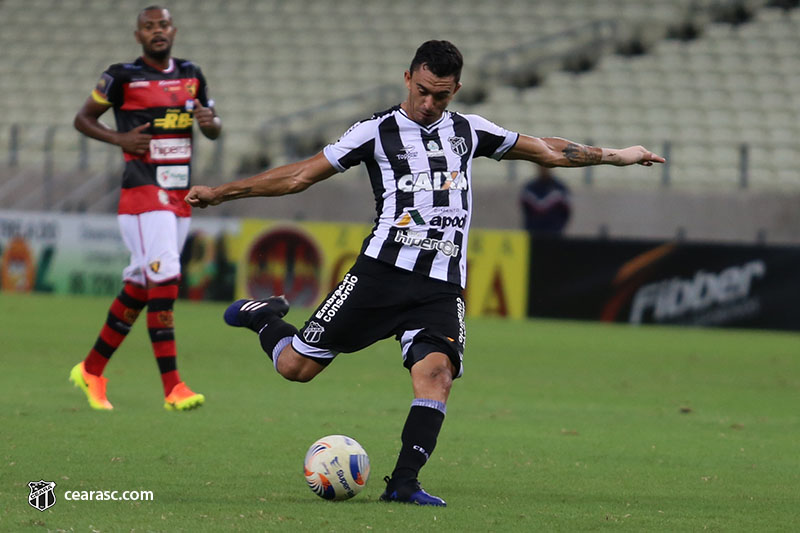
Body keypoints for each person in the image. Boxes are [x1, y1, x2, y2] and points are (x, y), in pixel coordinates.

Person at [185, 40, 664, 505]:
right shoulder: (374, 131)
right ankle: (264, 316)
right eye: (424, 90)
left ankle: (403, 483)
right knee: (297, 368)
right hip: (380, 275)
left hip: (440, 283)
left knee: (437, 375)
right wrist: (223, 193)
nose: (430, 102)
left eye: (442, 94)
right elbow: (298, 176)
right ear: (408, 77)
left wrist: (618, 155)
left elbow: (547, 150)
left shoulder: (470, 130)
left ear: (455, 90)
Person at [70, 5, 221, 411]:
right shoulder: (121, 77)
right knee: (167, 274)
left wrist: (209, 122)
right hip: (142, 194)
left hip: (178, 194)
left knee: (141, 284)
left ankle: (91, 369)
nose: (158, 31)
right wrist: (119, 140)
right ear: (139, 35)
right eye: (149, 26)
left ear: (173, 30)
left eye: (164, 24)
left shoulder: (192, 74)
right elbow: (83, 119)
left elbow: (213, 124)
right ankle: (173, 386)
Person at [520, 164, 572, 234]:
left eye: (546, 165)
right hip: (533, 233)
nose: (543, 168)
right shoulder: (530, 188)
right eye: (541, 165)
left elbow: (566, 212)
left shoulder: (559, 188)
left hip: (554, 233)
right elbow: (525, 211)